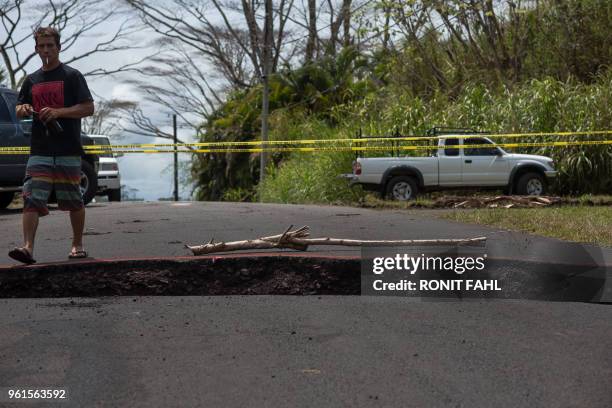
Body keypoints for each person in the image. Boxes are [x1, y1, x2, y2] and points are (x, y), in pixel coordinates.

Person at [8, 26, 94, 265]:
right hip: (40, 150)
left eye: (50, 45)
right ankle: (27, 248)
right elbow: (19, 107)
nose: (46, 50)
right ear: (36, 49)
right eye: (41, 46)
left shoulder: (72, 76)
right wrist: (22, 109)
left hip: (68, 149)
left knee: (73, 199)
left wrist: (59, 112)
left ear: (59, 47)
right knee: (31, 196)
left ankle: (77, 245)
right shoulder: (31, 80)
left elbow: (88, 107)